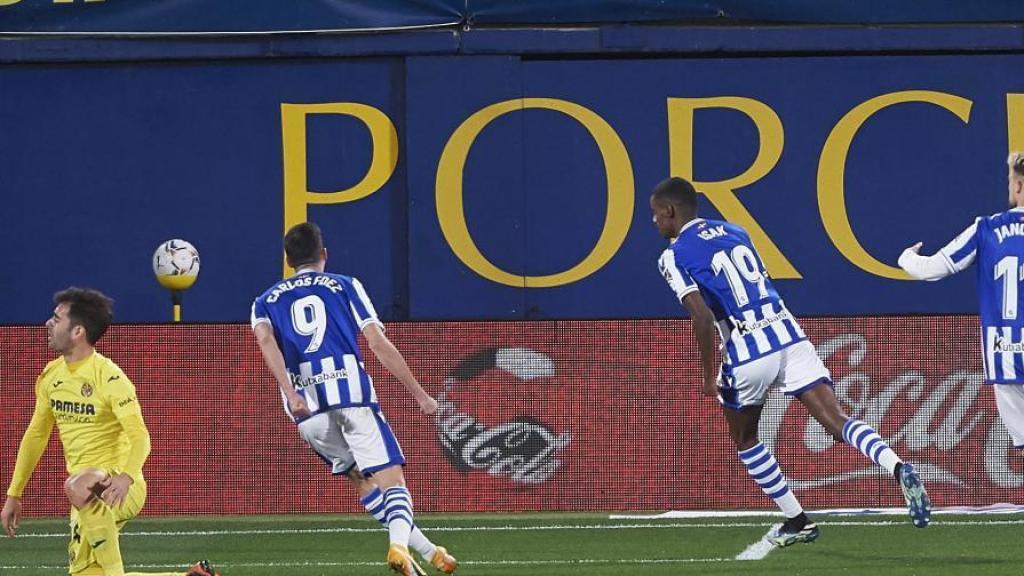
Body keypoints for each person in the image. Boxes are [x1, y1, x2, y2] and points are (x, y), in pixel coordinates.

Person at [650, 177, 931, 546]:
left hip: (748, 346)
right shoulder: (736, 231)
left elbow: (701, 317)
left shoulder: (672, 255)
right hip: (787, 333)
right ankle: (897, 466)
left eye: (656, 215)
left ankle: (798, 520)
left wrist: (707, 377)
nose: (655, 223)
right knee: (837, 420)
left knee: (746, 438)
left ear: (670, 212)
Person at [251, 222, 457, 576]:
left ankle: (429, 553)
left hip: (307, 410)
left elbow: (266, 344)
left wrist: (291, 393)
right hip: (350, 395)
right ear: (324, 254)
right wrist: (420, 395)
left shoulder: (263, 301)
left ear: (288, 260)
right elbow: (377, 343)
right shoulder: (345, 285)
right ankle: (399, 546)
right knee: (393, 480)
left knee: (363, 480)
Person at [0, 287, 219, 576]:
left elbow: (140, 436)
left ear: (78, 331)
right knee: (86, 574)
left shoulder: (110, 377)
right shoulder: (51, 376)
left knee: (77, 485)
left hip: (118, 485)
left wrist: (126, 477)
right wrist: (14, 494)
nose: (48, 324)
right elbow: (36, 436)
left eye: (57, 318)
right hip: (83, 495)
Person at [899, 152, 1024, 453]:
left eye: (1009, 181)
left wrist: (906, 257)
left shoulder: (987, 229)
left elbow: (929, 270)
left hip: (1005, 350)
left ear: (1019, 186)